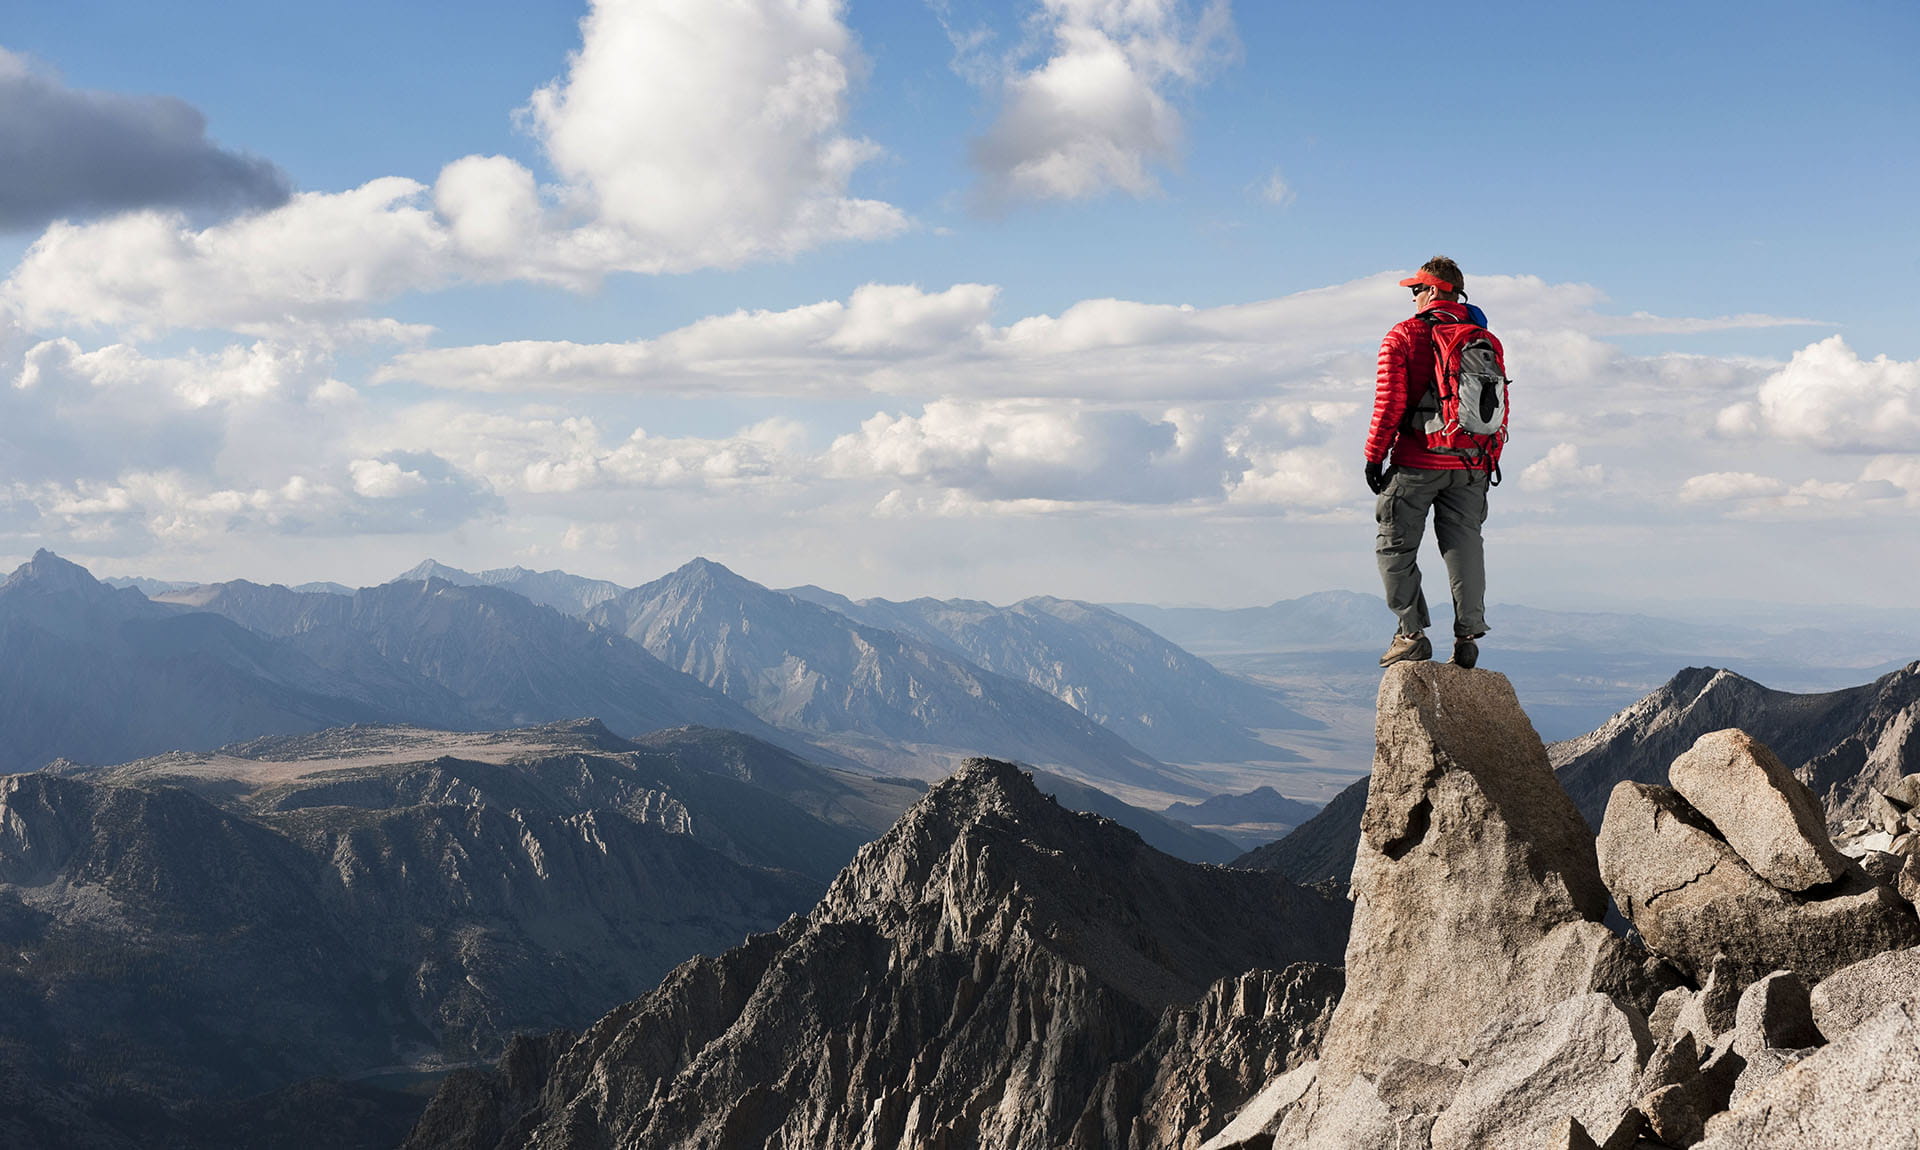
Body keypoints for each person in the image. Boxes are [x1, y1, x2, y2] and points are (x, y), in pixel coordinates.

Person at [1363, 256, 1504, 669]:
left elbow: (1389, 403)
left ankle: (1411, 634)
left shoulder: (1403, 335)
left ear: (1434, 291)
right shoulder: (1485, 340)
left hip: (1417, 462)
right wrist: (1487, 458)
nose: (1413, 298)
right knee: (1464, 544)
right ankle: (1468, 637)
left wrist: (1375, 456)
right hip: (1472, 463)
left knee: (1395, 544)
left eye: (1415, 290)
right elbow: (1498, 406)